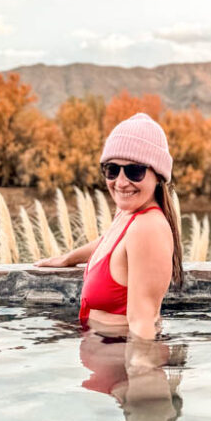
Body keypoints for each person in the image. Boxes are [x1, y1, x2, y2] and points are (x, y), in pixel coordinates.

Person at [35, 112, 184, 340]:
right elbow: (112, 245)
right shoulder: (127, 212)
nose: (121, 182)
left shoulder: (148, 228)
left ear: (158, 175)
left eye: (135, 171)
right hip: (103, 357)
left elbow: (142, 327)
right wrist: (68, 258)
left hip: (120, 366)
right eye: (112, 170)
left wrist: (141, 374)